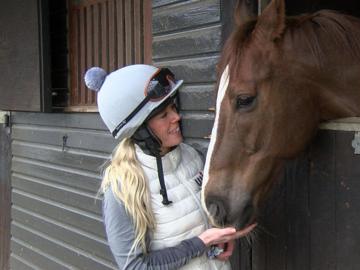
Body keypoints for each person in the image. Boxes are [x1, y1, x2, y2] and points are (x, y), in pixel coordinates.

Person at [84, 64, 255, 270]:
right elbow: (134, 266)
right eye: (163, 115)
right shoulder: (123, 188)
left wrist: (219, 238)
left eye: (173, 107)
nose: (176, 117)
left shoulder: (193, 157)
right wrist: (200, 243)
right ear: (140, 130)